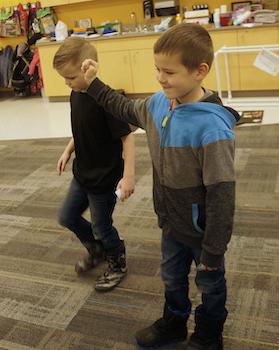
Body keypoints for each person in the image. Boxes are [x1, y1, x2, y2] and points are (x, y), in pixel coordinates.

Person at [82, 23, 240, 349]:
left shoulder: (211, 127)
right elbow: (124, 108)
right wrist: (93, 84)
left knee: (209, 282)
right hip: (170, 221)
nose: (160, 78)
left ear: (200, 71)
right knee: (171, 276)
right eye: (157, 69)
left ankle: (209, 334)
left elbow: (223, 194)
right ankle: (174, 322)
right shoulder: (159, 103)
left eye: (169, 71)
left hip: (203, 231)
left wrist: (214, 247)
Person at [53, 37, 135, 292]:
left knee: (101, 226)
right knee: (67, 217)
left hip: (104, 178)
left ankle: (117, 259)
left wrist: (129, 176)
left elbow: (127, 136)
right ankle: (97, 249)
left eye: (71, 77)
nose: (67, 83)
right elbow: (81, 130)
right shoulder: (75, 94)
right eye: (64, 78)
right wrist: (68, 151)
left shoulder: (106, 100)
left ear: (88, 67)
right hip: (82, 173)